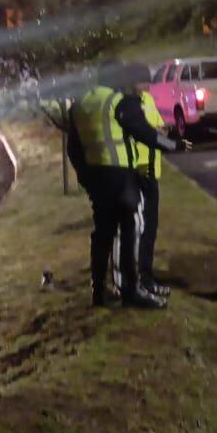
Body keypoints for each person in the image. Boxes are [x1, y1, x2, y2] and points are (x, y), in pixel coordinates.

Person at [71, 64, 169, 310]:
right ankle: (132, 290)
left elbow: (73, 147)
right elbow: (144, 133)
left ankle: (98, 292)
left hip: (96, 177)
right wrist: (173, 143)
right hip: (123, 175)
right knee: (131, 229)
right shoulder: (119, 102)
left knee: (103, 233)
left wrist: (85, 177)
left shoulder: (81, 103)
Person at [112, 64, 181, 299]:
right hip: (136, 172)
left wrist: (162, 130)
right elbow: (142, 131)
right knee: (136, 230)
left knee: (149, 229)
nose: (148, 86)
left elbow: (155, 125)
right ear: (132, 82)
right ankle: (136, 280)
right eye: (144, 82)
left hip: (151, 173)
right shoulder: (127, 104)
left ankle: (145, 276)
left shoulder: (147, 100)